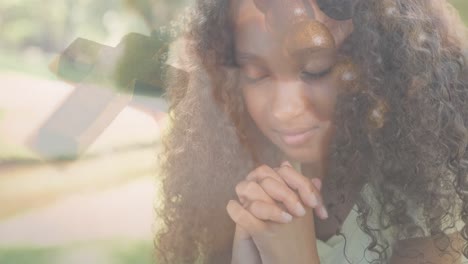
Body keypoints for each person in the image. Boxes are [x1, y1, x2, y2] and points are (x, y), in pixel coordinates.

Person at [155, 0, 468, 263]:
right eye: (257, 74)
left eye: (316, 69)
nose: (285, 109)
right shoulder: (232, 172)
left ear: (374, 65)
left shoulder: (424, 188)